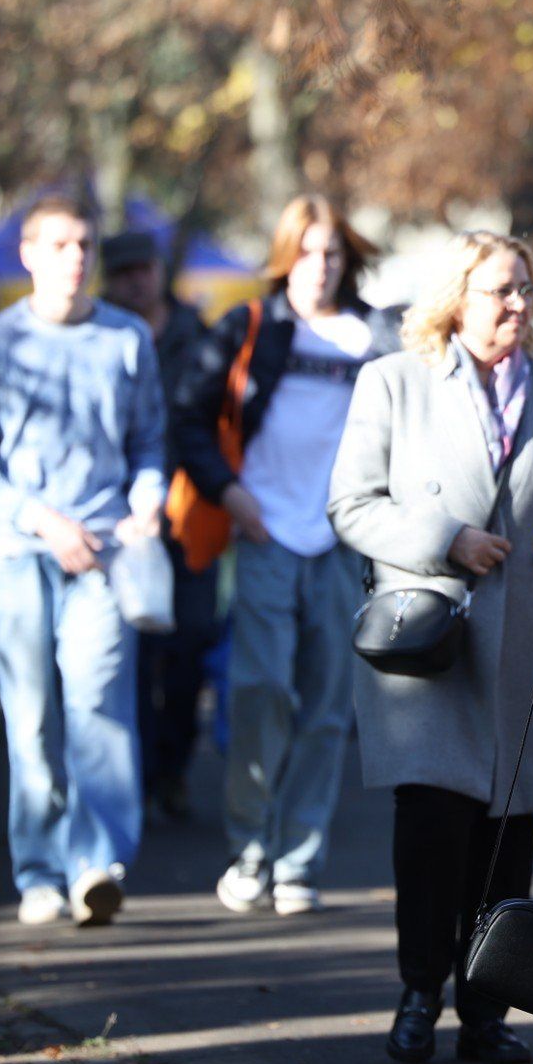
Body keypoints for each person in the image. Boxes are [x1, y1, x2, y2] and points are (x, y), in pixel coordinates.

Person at [329, 231, 533, 1064]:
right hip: (432, 644)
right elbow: (351, 504)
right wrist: (446, 538)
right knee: (431, 833)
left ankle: (486, 1011)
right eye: (500, 290)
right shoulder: (393, 381)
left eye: (526, 289)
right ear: (456, 298)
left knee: (507, 841)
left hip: (530, 646)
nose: (517, 304)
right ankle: (419, 995)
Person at [0, 194, 168, 928]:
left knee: (98, 706)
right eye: (60, 245)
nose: (76, 258)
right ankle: (39, 870)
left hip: (104, 556)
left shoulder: (126, 337)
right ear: (29, 254)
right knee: (32, 717)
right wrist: (40, 519)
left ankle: (95, 866)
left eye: (84, 245)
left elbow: (149, 441)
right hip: (20, 553)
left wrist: (146, 503)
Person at [174, 195, 395, 916]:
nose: (319, 266)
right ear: (284, 257)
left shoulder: (376, 336)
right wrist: (231, 494)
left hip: (341, 539)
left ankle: (299, 858)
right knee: (261, 692)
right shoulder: (248, 325)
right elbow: (189, 418)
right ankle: (250, 848)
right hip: (264, 533)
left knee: (328, 708)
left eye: (331, 253)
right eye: (306, 252)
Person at [99, 231, 215, 821]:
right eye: (123, 272)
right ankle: (143, 777)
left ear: (159, 271)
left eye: (143, 269)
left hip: (193, 518)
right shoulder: (100, 334)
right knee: (136, 658)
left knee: (191, 646)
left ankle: (173, 770)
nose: (135, 281)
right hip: (125, 524)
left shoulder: (198, 332)